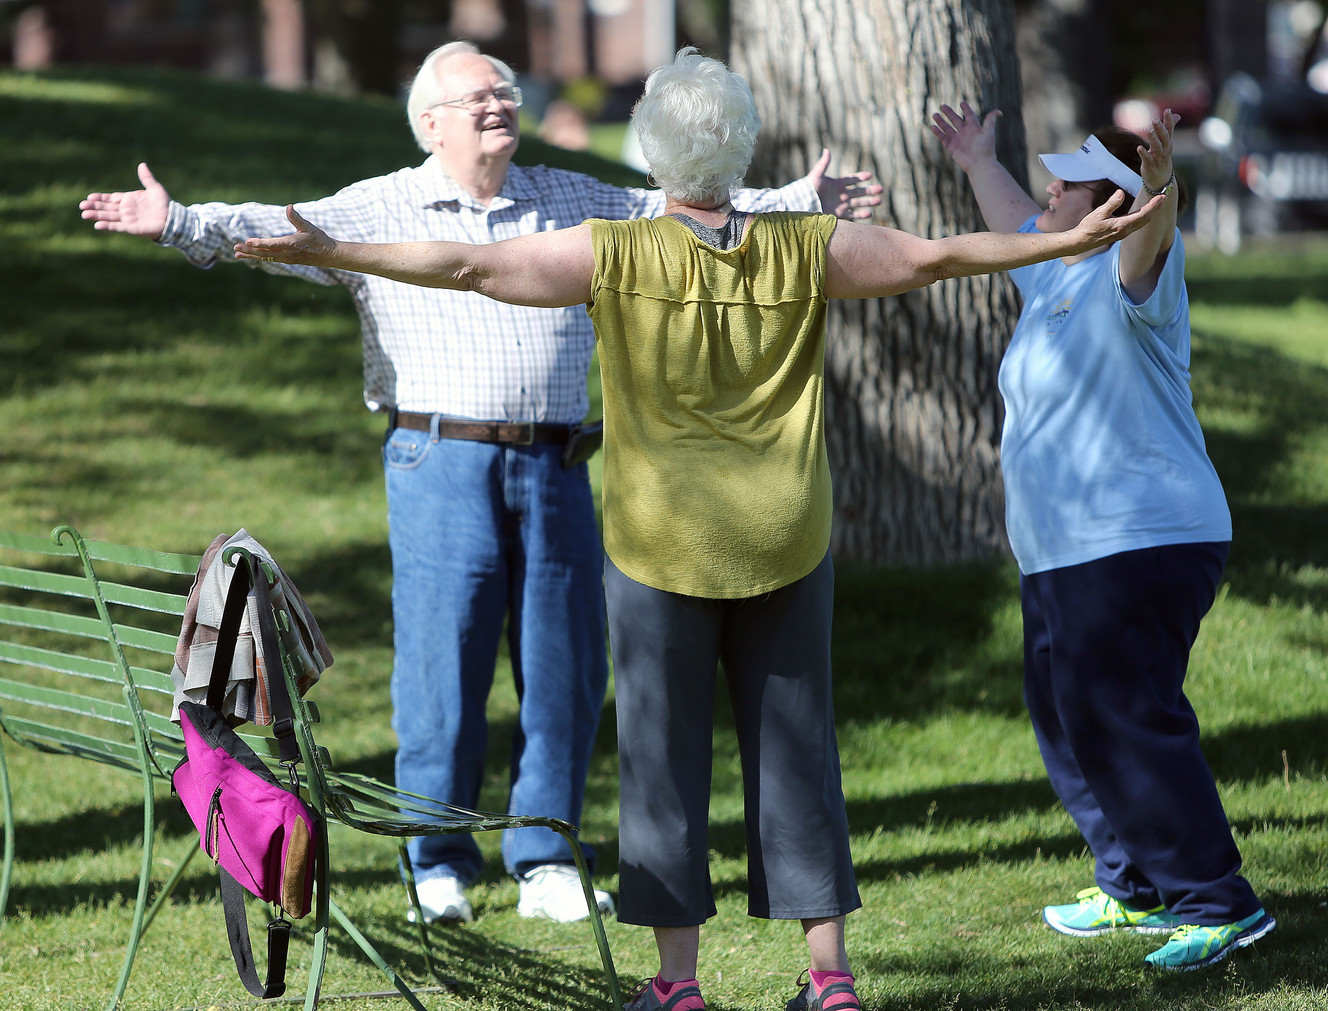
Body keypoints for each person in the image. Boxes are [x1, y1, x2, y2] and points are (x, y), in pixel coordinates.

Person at [234, 48, 1161, 1011]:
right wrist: (1064, 243)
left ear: (653, 154)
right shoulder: (805, 244)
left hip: (659, 551)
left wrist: (328, 249)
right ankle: (829, 978)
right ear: (743, 147)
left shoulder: (617, 250)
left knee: (663, 768)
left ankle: (678, 986)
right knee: (800, 758)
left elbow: (468, 263)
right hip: (788, 543)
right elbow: (937, 256)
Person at [78, 40, 884, 927]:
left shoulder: (573, 194)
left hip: (556, 460)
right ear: (431, 122)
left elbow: (684, 204)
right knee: (442, 663)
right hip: (438, 459)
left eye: (504, 92)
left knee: (564, 664)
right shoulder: (381, 201)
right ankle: (438, 860)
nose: (498, 104)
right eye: (476, 97)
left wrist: (800, 202)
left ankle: (545, 856)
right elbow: (277, 226)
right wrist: (182, 222)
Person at [930, 101, 1276, 971]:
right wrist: (976, 158)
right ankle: (1134, 881)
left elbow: (1149, 240)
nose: (1048, 187)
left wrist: (1159, 190)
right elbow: (1014, 215)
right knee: (1067, 714)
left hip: (1139, 539)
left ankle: (1217, 900)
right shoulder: (1052, 270)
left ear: (1113, 204)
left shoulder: (1134, 277)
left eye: (1071, 181)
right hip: (1062, 553)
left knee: (1126, 714)